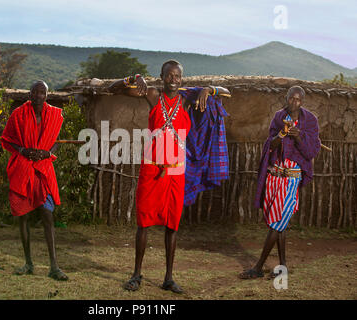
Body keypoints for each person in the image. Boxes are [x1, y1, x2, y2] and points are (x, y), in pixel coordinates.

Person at [109, 60, 230, 293]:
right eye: (169, 75)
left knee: (172, 225)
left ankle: (168, 278)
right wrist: (135, 77)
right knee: (143, 222)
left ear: (181, 79)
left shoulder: (187, 99)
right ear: (162, 76)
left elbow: (226, 91)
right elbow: (113, 88)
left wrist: (209, 89)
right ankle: (136, 275)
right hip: (152, 167)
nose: (173, 80)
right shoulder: (152, 95)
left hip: (176, 169)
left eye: (177, 76)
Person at [239, 86, 321, 279]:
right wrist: (281, 135)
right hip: (275, 176)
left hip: (292, 178)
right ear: (286, 99)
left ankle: (258, 268)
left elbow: (311, 151)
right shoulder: (278, 117)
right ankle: (283, 266)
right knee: (279, 222)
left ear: (303, 101)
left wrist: (298, 135)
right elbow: (270, 145)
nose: (294, 102)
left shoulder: (310, 121)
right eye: (291, 98)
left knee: (278, 223)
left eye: (298, 99)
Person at [1, 80, 68, 281]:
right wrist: (23, 150)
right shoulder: (18, 115)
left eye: (42, 92)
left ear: (46, 95)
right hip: (22, 169)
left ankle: (54, 266)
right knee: (23, 215)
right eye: (35, 92)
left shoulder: (55, 115)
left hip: (43, 169)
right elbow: (7, 139)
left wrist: (46, 152)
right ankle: (28, 263)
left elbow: (57, 142)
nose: (39, 95)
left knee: (47, 215)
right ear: (29, 94)